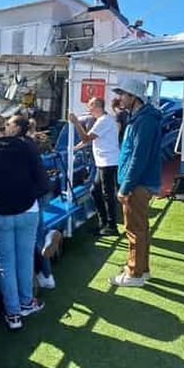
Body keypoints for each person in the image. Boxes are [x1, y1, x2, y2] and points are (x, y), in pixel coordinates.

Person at [0, 112, 44, 330]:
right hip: (28, 209)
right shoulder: (25, 145)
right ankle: (27, 303)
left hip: (0, 212)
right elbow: (39, 174)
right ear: (4, 126)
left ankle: (13, 314)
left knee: (6, 265)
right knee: (25, 259)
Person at [110, 79, 163, 287]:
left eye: (123, 94)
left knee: (134, 230)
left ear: (134, 97)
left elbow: (138, 158)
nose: (119, 98)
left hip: (137, 185)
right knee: (140, 228)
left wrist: (125, 187)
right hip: (139, 183)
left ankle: (134, 274)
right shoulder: (141, 119)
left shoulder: (144, 121)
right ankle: (142, 269)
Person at [6, 115, 61, 290]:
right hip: (43, 190)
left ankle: (44, 274)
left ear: (17, 128)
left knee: (35, 237)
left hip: (34, 193)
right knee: (37, 232)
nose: (6, 126)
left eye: (9, 124)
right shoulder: (28, 142)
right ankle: (46, 275)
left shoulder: (17, 145)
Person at [69, 97, 120, 236]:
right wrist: (73, 149)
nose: (88, 109)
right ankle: (104, 223)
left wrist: (76, 123)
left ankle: (111, 226)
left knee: (107, 193)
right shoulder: (103, 120)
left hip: (108, 162)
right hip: (103, 162)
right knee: (95, 191)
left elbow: (86, 138)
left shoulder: (104, 121)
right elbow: (89, 139)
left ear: (98, 106)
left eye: (90, 106)